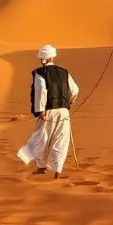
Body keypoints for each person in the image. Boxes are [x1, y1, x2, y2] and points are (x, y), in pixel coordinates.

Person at [16, 44, 79, 179]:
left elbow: (40, 92)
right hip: (63, 112)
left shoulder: (40, 73)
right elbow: (75, 90)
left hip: (48, 111)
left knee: (41, 138)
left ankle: (42, 166)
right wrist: (70, 101)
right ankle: (57, 171)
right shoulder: (64, 72)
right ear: (52, 57)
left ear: (42, 59)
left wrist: (41, 111)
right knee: (60, 140)